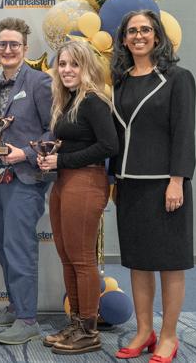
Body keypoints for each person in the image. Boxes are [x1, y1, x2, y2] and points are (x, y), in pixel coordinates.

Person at [109, 10, 196, 363]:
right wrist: (113, 179)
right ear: (124, 39)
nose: (139, 36)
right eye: (132, 31)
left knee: (169, 263)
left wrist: (177, 180)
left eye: (145, 29)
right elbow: (117, 135)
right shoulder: (120, 81)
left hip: (165, 186)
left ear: (157, 36)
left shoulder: (177, 78)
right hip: (129, 186)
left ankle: (169, 336)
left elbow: (184, 134)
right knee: (139, 263)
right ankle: (144, 331)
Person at [38, 40, 119, 355]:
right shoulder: (67, 101)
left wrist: (62, 160)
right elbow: (76, 141)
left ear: (86, 67)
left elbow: (108, 145)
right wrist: (52, 156)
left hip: (86, 181)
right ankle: (76, 322)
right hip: (65, 181)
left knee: (82, 258)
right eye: (62, 64)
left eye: (74, 64)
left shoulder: (94, 101)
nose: (67, 70)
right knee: (67, 255)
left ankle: (89, 329)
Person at [0, 17, 54, 345]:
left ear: (25, 49)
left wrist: (24, 152)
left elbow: (56, 130)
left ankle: (28, 319)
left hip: (26, 177)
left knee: (19, 247)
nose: (8, 49)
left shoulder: (39, 82)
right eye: (2, 44)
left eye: (14, 45)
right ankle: (15, 305)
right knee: (1, 243)